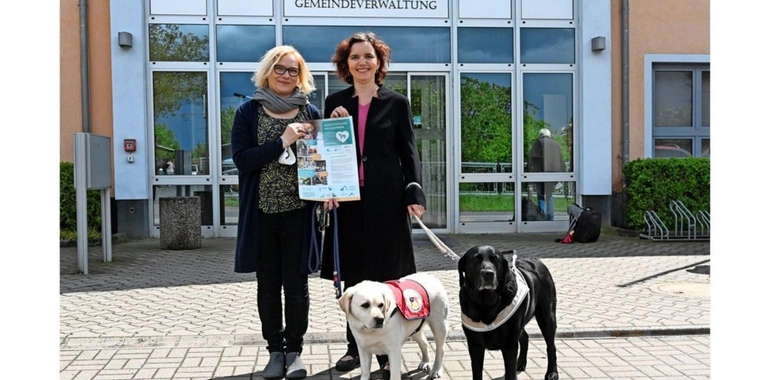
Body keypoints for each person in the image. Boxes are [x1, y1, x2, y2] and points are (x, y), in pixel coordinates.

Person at [319, 31, 427, 375]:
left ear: (379, 62)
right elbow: (326, 152)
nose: (362, 62)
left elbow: (409, 151)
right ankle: (355, 348)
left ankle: (387, 350)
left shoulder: (397, 103)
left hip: (387, 201)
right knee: (352, 278)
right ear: (345, 65)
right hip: (347, 201)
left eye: (368, 56)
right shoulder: (335, 103)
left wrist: (414, 191)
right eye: (355, 57)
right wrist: (332, 127)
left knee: (387, 277)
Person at [230, 45, 321, 380]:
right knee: (267, 286)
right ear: (268, 71)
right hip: (262, 215)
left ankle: (294, 352)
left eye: (293, 70)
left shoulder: (310, 112)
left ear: (301, 76)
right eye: (280, 69)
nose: (286, 75)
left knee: (296, 287)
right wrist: (282, 141)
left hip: (299, 215)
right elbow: (242, 161)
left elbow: (322, 164)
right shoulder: (248, 112)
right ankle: (274, 352)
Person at [528, 128, 564, 220]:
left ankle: (542, 217)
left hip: (540, 173)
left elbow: (532, 158)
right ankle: (551, 218)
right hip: (554, 174)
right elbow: (561, 160)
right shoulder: (556, 144)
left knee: (540, 195)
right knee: (550, 196)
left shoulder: (538, 142)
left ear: (540, 135)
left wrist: (528, 170)